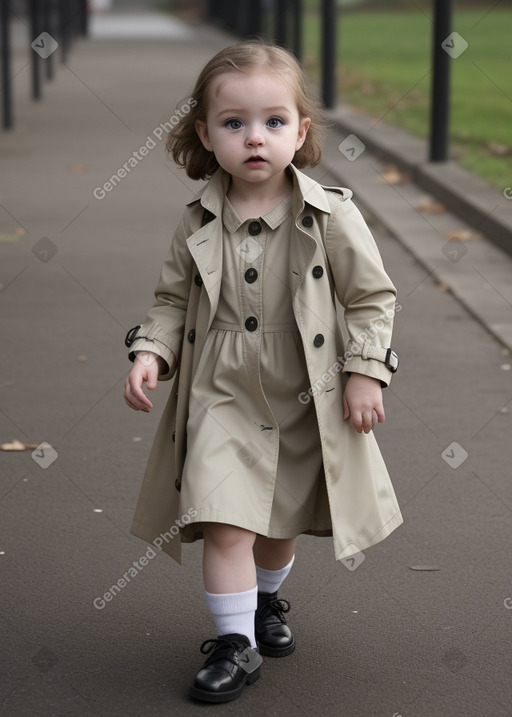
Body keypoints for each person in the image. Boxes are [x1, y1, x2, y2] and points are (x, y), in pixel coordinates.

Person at [124, 40, 402, 704]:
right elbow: (169, 300)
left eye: (274, 122)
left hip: (304, 387)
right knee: (226, 517)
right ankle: (234, 643)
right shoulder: (197, 220)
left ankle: (267, 602)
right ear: (206, 134)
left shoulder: (330, 213)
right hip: (219, 384)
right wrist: (150, 352)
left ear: (300, 131)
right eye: (235, 123)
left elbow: (371, 297)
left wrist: (366, 370)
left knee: (278, 521)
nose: (256, 137)